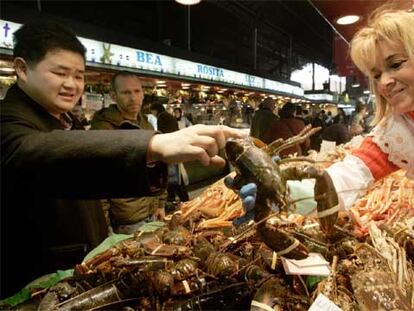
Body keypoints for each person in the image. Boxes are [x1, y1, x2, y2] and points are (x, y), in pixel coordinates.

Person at [0, 20, 245, 298]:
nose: (72, 84)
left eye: (79, 75)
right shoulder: (8, 121)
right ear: (21, 68)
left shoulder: (67, 121)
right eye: (60, 73)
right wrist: (153, 144)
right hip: (36, 281)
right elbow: (35, 152)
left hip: (84, 264)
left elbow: (91, 175)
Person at [231, 5, 414, 223]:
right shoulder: (394, 134)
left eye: (395, 64)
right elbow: (345, 179)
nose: (385, 82)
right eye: (376, 75)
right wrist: (279, 194)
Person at [90, 71, 166, 234]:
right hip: (126, 221)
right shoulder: (104, 130)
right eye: (126, 92)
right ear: (113, 95)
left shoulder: (146, 125)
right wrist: (105, 224)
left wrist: (160, 204)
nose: (133, 98)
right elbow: (98, 180)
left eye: (137, 91)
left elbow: (157, 167)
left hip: (152, 212)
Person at [151, 103, 190, 204]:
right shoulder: (168, 116)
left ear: (155, 110)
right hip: (175, 147)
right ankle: (177, 199)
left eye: (152, 111)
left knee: (172, 177)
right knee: (174, 177)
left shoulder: (161, 117)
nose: (152, 114)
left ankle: (178, 200)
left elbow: (162, 133)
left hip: (169, 148)